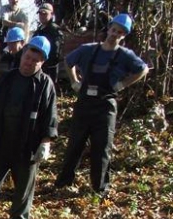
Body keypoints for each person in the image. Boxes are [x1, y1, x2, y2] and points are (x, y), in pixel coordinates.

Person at [53, 13, 148, 195]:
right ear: (109, 28)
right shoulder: (88, 49)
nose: (115, 34)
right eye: (113, 30)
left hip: (106, 105)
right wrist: (74, 82)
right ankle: (63, 183)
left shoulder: (125, 55)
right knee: (75, 144)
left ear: (123, 35)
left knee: (102, 148)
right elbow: (68, 61)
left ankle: (99, 188)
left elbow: (142, 69)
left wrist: (122, 84)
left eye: (120, 32)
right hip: (85, 103)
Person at [0, 36, 57, 219]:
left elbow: (50, 116)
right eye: (28, 57)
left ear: (42, 62)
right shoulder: (7, 78)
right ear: (23, 54)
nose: (30, 62)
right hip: (1, 141)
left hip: (27, 146)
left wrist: (46, 142)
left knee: (24, 188)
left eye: (35, 60)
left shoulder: (45, 85)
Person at [33, 3, 64, 85]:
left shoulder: (54, 30)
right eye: (40, 13)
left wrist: (44, 62)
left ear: (52, 14)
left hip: (49, 68)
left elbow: (56, 52)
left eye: (45, 13)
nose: (42, 16)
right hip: (38, 66)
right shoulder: (39, 30)